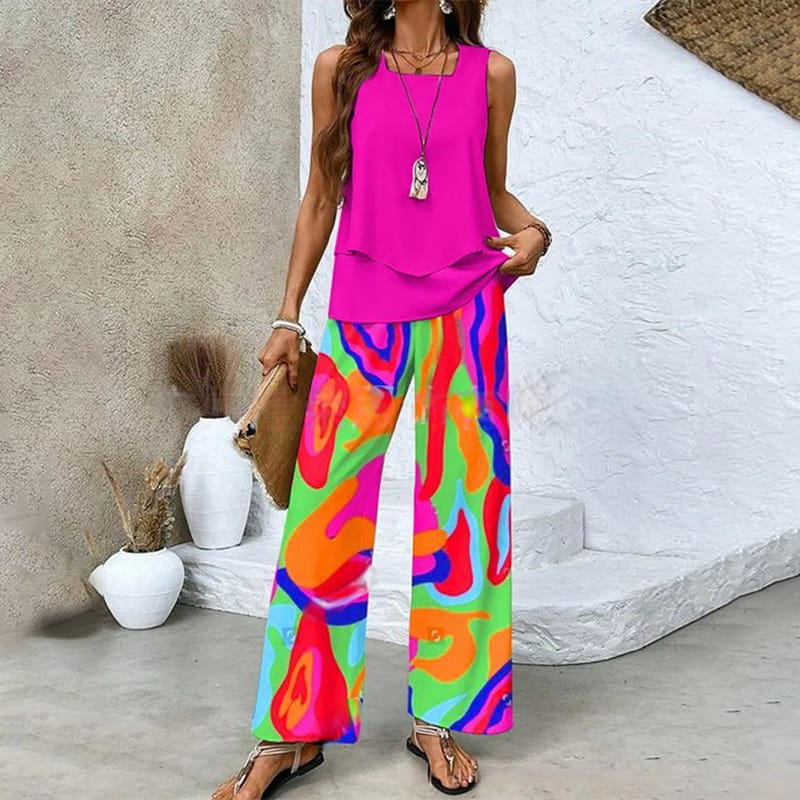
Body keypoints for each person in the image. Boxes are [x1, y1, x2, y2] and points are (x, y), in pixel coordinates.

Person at [212, 1, 551, 797]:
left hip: (468, 310)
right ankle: (291, 731)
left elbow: (490, 191)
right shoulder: (343, 69)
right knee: (322, 517)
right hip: (364, 311)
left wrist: (535, 231)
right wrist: (288, 316)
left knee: (464, 516)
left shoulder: (491, 74)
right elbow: (320, 195)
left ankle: (438, 719)